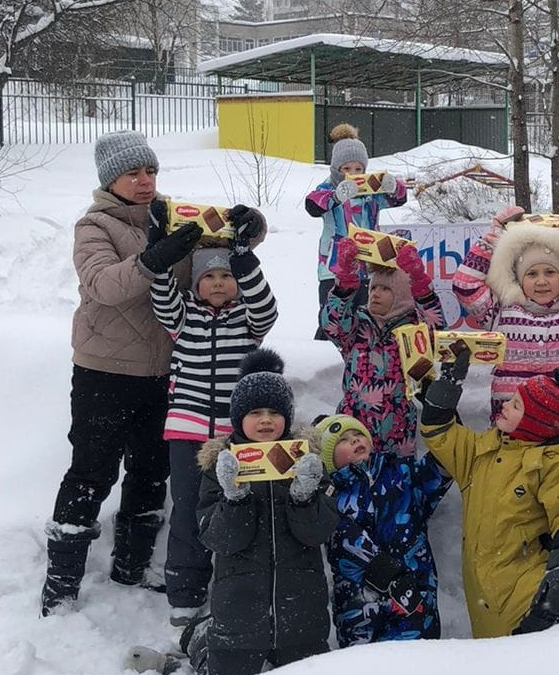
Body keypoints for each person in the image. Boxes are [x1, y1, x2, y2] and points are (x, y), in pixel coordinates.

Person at [40, 130, 267, 616]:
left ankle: (132, 565)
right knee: (91, 471)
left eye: (151, 171)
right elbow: (102, 285)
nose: (146, 182)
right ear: (110, 179)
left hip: (165, 373)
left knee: (150, 471)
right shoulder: (94, 226)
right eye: (133, 173)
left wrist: (253, 224)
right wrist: (153, 260)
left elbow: (225, 234)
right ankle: (61, 584)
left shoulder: (173, 215)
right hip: (105, 370)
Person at [149, 224, 278, 627]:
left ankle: (233, 586)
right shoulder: (183, 316)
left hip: (231, 439)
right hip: (186, 433)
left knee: (233, 512)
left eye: (227, 276)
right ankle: (184, 593)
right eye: (210, 277)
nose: (219, 283)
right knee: (187, 512)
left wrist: (243, 258)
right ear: (197, 283)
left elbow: (266, 308)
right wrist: (163, 255)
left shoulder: (247, 320)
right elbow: (162, 296)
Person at [418, 351, 559, 638]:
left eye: (515, 405)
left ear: (533, 424)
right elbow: (439, 432)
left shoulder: (550, 464)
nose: (505, 407)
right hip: (483, 594)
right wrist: (449, 383)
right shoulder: (480, 453)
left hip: (526, 592)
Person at [452, 205, 559, 483]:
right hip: (514, 430)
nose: (542, 281)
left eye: (550, 272)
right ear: (519, 280)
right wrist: (496, 235)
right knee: (514, 506)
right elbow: (465, 285)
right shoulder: (500, 313)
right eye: (532, 274)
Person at [195, 348, 338, 674]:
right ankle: (199, 643)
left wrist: (304, 497)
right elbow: (220, 540)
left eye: (274, 412)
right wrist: (234, 498)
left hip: (302, 619)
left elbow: (318, 532)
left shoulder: (306, 462)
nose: (265, 420)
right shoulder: (221, 465)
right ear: (238, 417)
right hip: (238, 620)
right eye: (255, 412)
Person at [315, 414, 452, 646]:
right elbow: (343, 539)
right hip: (358, 607)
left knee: (418, 662)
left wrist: (444, 415)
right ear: (328, 458)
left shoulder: (401, 474)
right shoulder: (329, 495)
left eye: (358, 434)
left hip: (413, 597)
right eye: (344, 440)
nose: (355, 440)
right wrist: (383, 569)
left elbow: (443, 466)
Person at [321, 239, 446, 456]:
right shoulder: (357, 326)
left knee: (394, 487)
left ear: (403, 295)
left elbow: (438, 330)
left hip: (397, 434)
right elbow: (331, 325)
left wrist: (419, 282)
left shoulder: (415, 328)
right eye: (374, 287)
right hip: (354, 430)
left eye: (385, 289)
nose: (375, 294)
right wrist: (345, 284)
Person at [305, 123, 407, 338]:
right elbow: (312, 205)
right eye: (346, 169)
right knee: (332, 316)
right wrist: (336, 196)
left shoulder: (371, 192)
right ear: (336, 169)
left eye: (358, 169)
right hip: (333, 269)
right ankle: (321, 355)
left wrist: (393, 186)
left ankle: (362, 354)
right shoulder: (328, 189)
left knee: (365, 317)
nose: (353, 174)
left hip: (369, 268)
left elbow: (398, 198)